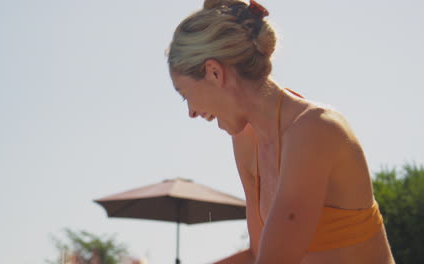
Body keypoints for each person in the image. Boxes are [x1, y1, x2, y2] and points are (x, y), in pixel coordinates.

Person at [167, 0, 395, 263]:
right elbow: (257, 254)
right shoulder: (246, 140)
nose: (192, 112)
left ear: (214, 72)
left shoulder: (315, 129)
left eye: (185, 95)